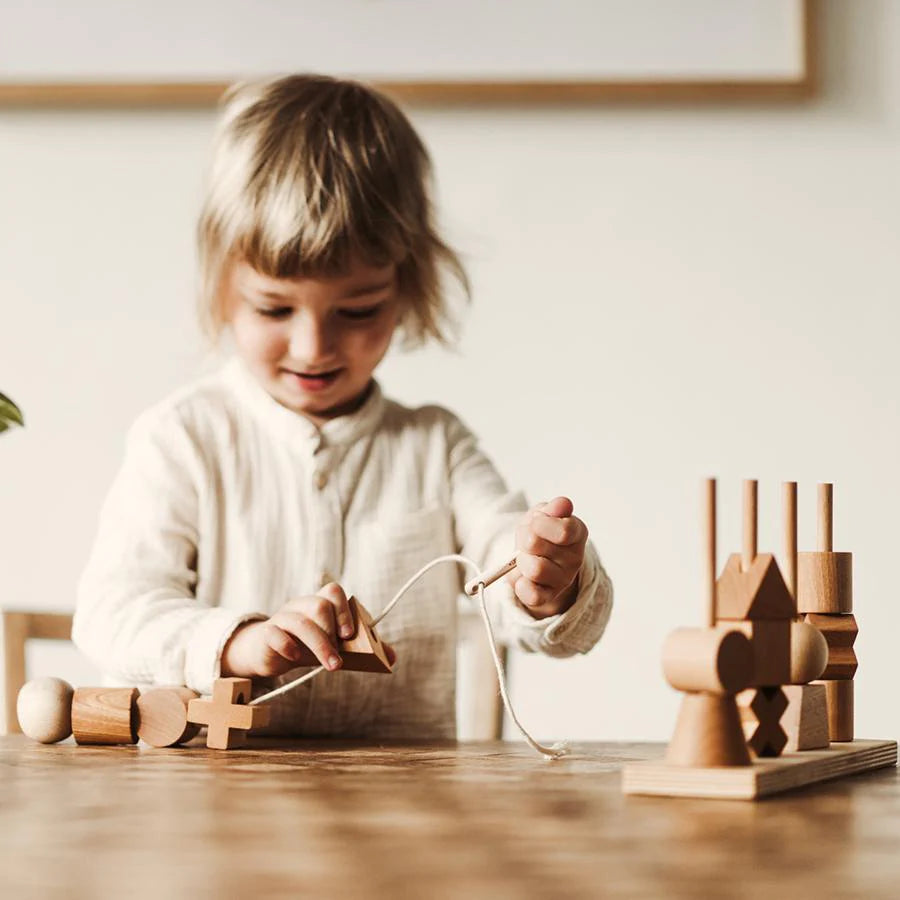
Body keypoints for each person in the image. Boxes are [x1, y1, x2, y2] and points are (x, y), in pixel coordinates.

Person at [73, 74, 613, 739]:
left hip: (404, 819)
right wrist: (237, 641)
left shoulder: (435, 447)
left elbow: (518, 578)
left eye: (356, 311)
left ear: (407, 289)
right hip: (215, 817)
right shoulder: (183, 440)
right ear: (222, 287)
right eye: (274, 308)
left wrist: (544, 581)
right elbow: (111, 613)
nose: (313, 346)